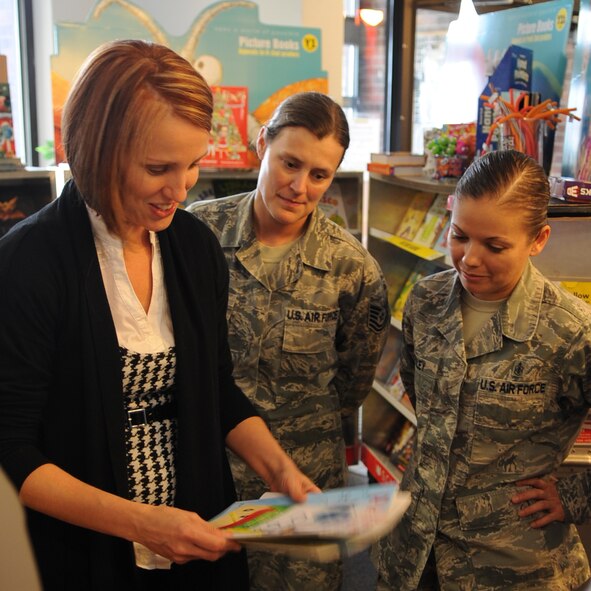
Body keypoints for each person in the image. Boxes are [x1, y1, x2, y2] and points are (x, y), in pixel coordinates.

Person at [0, 39, 319, 591]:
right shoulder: (30, 261)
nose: (180, 188)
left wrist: (277, 468)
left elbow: (216, 387)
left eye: (194, 164)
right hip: (89, 555)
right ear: (97, 149)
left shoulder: (192, 245)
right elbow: (14, 450)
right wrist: (142, 524)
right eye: (157, 168)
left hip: (198, 539)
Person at [187, 91, 390, 590]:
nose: (300, 187)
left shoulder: (353, 269)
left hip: (304, 478)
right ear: (263, 144)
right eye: (289, 163)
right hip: (208, 467)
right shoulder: (195, 234)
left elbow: (354, 380)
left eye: (319, 175)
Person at [372, 149, 591, 590]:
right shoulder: (427, 301)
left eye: (494, 246)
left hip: (510, 562)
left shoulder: (570, 331)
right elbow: (423, 397)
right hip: (415, 550)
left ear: (538, 239)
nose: (470, 259)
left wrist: (575, 496)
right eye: (459, 236)